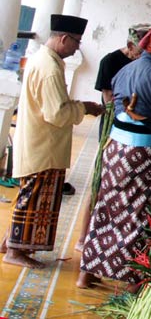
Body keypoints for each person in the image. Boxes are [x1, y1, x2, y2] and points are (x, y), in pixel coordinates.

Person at [77, 24, 151, 292]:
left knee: (108, 207)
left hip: (116, 150)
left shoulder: (124, 70)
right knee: (139, 214)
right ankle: (133, 281)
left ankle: (86, 274)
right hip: (144, 155)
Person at [0, 14, 104, 269]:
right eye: (76, 42)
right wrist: (85, 108)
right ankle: (15, 251)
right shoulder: (48, 67)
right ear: (64, 39)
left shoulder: (47, 61)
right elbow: (56, 113)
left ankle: (8, 243)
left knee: (30, 196)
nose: (78, 47)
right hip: (42, 146)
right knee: (34, 199)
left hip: (40, 143)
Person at [74, 23, 151, 252]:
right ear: (130, 45)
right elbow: (109, 100)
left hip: (129, 129)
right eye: (141, 49)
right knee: (99, 183)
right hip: (113, 127)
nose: (144, 55)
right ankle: (83, 237)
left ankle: (107, 239)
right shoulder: (110, 62)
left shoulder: (141, 64)